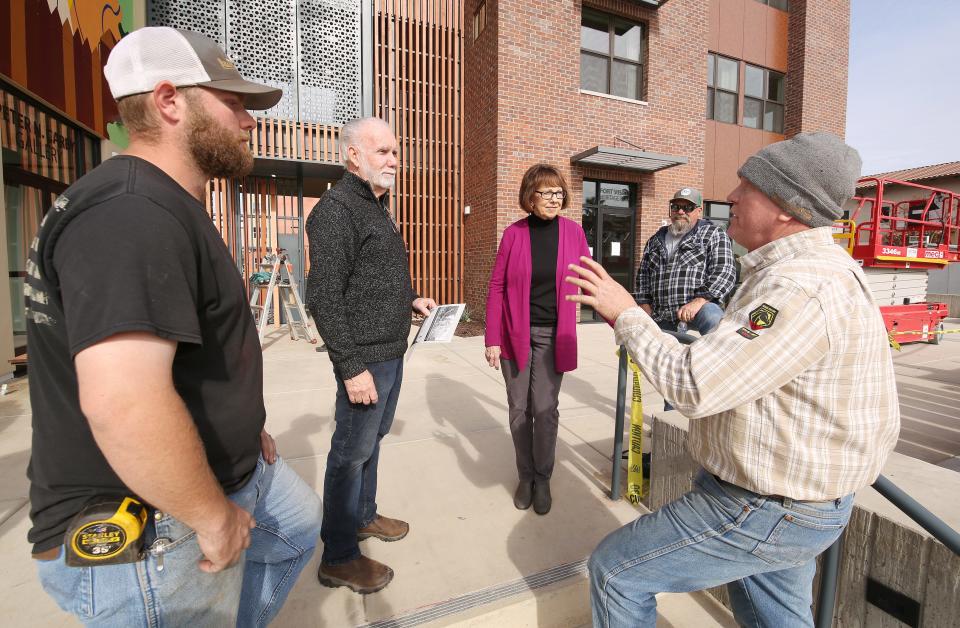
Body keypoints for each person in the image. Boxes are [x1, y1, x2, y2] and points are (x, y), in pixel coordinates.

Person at [25, 27, 322, 627]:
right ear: (168, 101)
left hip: (214, 480)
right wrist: (212, 517)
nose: (249, 120)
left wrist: (243, 428)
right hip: (154, 529)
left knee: (295, 524)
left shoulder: (162, 203)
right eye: (233, 102)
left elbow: (194, 347)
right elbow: (123, 401)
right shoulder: (131, 212)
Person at [565, 133, 900, 627]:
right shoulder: (805, 272)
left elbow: (696, 386)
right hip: (794, 501)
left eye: (749, 185)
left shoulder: (795, 286)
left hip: (769, 508)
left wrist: (627, 315)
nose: (733, 196)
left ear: (788, 207)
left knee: (617, 572)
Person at [306, 117, 437, 594]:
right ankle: (338, 556)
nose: (393, 160)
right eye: (382, 151)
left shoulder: (376, 207)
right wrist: (350, 366)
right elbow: (325, 296)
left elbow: (370, 278)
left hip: (389, 353)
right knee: (349, 453)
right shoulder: (337, 210)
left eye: (395, 152)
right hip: (364, 360)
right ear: (353, 156)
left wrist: (411, 298)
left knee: (372, 441)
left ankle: (362, 516)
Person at [484, 164, 591, 515]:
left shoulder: (573, 233)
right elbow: (497, 285)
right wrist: (492, 338)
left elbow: (591, 280)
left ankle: (543, 477)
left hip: (551, 334)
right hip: (515, 334)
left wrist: (622, 318)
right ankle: (525, 475)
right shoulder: (514, 234)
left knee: (544, 410)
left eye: (559, 193)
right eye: (546, 193)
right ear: (530, 196)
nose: (554, 199)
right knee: (519, 409)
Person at [635, 187, 736, 336]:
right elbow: (643, 275)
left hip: (699, 308)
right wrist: (644, 304)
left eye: (687, 207)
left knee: (714, 318)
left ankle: (721, 355)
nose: (681, 212)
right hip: (660, 313)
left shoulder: (712, 234)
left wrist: (699, 301)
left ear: (699, 210)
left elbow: (725, 271)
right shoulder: (655, 240)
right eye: (676, 207)